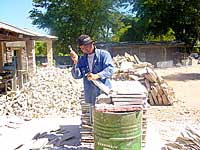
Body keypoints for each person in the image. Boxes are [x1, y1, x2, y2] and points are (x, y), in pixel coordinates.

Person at [70, 34, 114, 106]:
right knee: (91, 114)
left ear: (91, 44)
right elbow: (77, 76)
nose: (85, 50)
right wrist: (75, 61)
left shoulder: (104, 55)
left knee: (103, 114)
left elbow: (110, 69)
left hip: (103, 91)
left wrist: (97, 75)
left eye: (86, 47)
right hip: (89, 94)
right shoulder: (82, 59)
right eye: (82, 48)